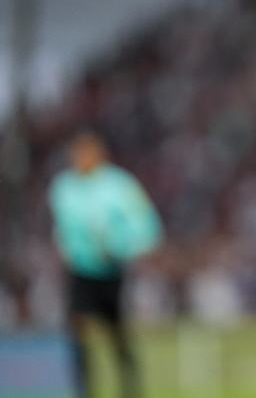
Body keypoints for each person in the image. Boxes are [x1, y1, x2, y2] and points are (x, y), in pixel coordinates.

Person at [49, 130, 163, 398]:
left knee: (118, 337)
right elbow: (63, 228)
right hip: (79, 272)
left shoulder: (120, 186)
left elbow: (147, 228)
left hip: (111, 271)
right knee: (79, 335)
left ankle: (131, 390)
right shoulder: (63, 187)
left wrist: (119, 246)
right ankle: (84, 390)